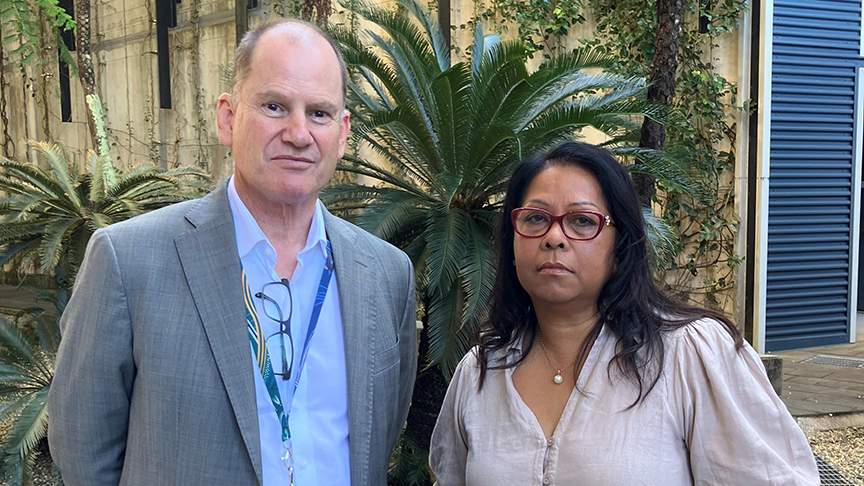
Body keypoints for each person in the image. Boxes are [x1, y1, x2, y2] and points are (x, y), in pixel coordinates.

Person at [48, 19, 417, 486]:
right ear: (228, 117)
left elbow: (377, 438)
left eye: (319, 113)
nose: (299, 133)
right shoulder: (129, 261)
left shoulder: (386, 274)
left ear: (342, 134)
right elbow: (83, 447)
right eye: (275, 106)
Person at [429, 142, 818, 485]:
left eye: (582, 221)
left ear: (620, 247)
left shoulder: (689, 355)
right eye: (535, 218)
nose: (553, 237)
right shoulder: (480, 374)